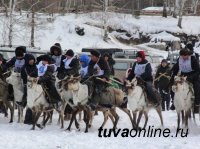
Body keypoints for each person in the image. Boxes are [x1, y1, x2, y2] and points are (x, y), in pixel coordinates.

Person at [170, 48, 200, 113]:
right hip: (183, 76)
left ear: (188, 55)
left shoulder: (193, 59)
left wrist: (190, 77)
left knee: (197, 88)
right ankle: (174, 102)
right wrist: (171, 71)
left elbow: (198, 71)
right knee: (173, 86)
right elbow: (176, 68)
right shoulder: (179, 59)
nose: (183, 57)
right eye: (182, 56)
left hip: (193, 76)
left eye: (185, 56)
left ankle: (197, 104)